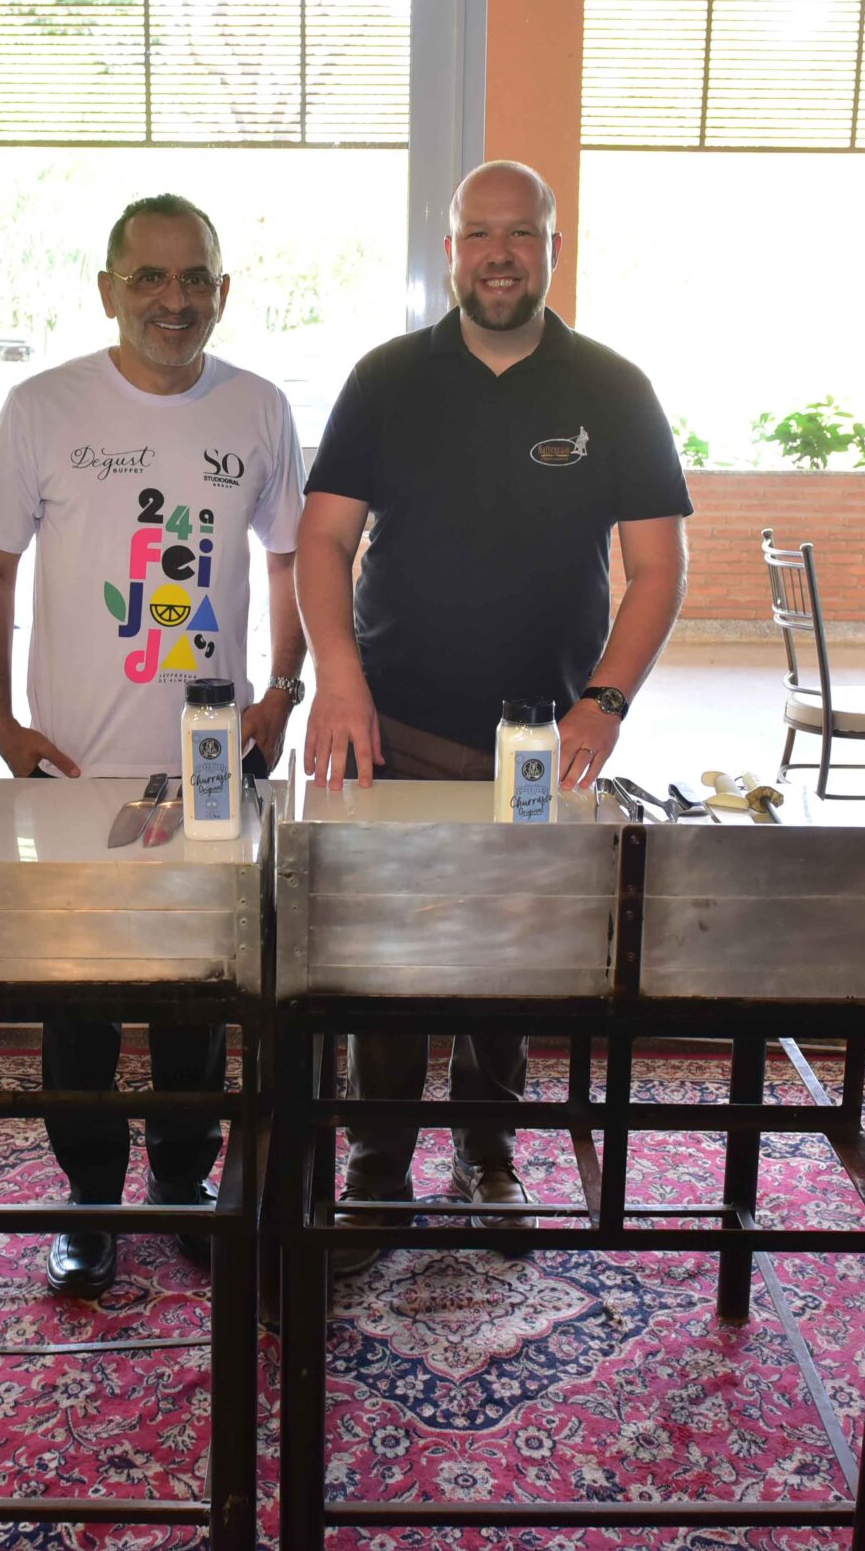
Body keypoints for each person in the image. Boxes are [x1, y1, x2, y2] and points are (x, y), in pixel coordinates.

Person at [297, 159, 690, 1265]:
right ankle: (377, 1167)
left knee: (509, 962)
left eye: (521, 234)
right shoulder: (385, 379)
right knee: (388, 959)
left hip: (537, 748)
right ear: (451, 252)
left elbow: (658, 567)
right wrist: (338, 676)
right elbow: (323, 540)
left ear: (554, 249)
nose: (500, 254)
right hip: (396, 729)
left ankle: (488, 1155)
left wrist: (604, 702)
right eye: (480, 234)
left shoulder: (613, 387)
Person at [0, 193, 308, 1296]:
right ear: (108, 289)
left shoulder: (258, 407)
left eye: (194, 277)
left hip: (210, 765)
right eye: (149, 277)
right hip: (73, 771)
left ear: (222, 291)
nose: (173, 299)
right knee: (78, 1002)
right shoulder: (43, 406)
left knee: (196, 995)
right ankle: (89, 1200)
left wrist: (284, 689)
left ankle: (181, 1180)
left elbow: (293, 560)